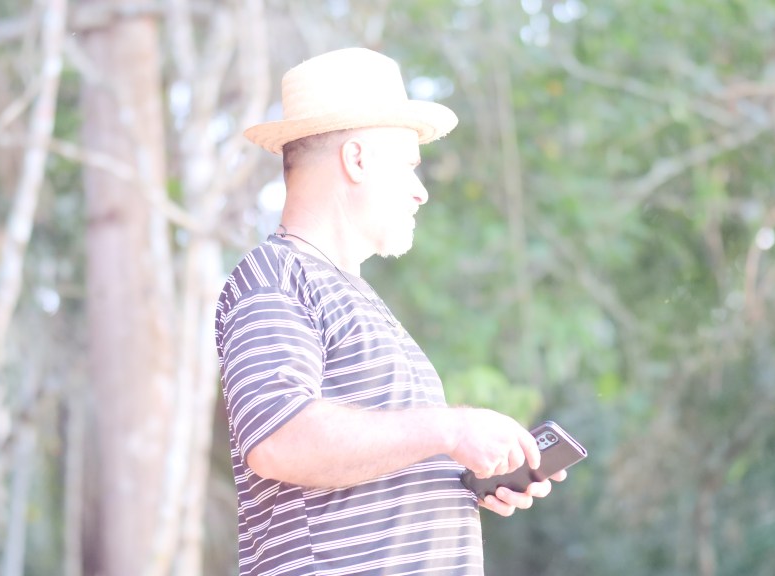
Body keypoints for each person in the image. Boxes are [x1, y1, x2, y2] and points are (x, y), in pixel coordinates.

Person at [214, 47, 566, 576]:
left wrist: (463, 479)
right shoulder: (274, 276)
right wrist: (451, 430)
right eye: (408, 167)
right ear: (356, 160)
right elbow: (278, 441)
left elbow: (377, 461)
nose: (421, 192)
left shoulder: (353, 296)